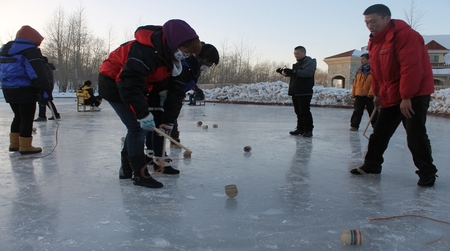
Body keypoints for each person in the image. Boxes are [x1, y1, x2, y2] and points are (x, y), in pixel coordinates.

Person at [98, 19, 202, 188]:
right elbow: (128, 82)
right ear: (175, 43)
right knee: (137, 127)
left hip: (135, 86)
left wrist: (167, 120)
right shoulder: (146, 51)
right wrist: (143, 113)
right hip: (113, 82)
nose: (186, 56)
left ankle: (126, 169)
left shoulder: (171, 59)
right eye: (185, 51)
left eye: (189, 54)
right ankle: (139, 174)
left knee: (136, 127)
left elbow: (174, 93)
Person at [350, 4, 438, 187]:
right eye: (366, 22)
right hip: (392, 92)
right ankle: (372, 165)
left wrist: (407, 97)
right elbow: (377, 71)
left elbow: (411, 69)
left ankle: (427, 172)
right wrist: (377, 93)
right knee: (379, 133)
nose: (369, 25)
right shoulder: (374, 41)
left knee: (415, 134)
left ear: (387, 18)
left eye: (373, 21)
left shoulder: (406, 36)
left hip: (414, 93)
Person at [145, 43, 219, 171]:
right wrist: (169, 120)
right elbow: (176, 94)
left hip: (162, 97)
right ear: (201, 58)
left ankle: (152, 155)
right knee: (160, 126)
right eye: (207, 64)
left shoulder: (191, 66)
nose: (206, 68)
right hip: (159, 97)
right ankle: (159, 158)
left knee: (157, 126)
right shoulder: (186, 67)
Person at [0, 25, 53, 154]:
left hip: (8, 89)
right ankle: (25, 145)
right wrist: (45, 92)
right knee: (27, 117)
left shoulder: (4, 50)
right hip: (25, 89)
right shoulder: (30, 51)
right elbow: (37, 73)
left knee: (17, 115)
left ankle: (14, 144)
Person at [276, 46, 317, 137]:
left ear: (304, 53)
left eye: (298, 53)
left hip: (304, 91)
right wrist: (284, 72)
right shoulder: (298, 64)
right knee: (298, 111)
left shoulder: (310, 62)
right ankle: (300, 128)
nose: (296, 55)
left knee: (304, 111)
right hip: (296, 90)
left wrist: (293, 72)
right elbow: (296, 75)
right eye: (295, 54)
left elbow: (307, 73)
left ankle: (308, 130)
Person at [349, 53, 378, 131]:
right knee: (357, 111)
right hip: (359, 94)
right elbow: (355, 83)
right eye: (361, 59)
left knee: (372, 111)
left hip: (369, 95)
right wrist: (354, 93)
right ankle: (354, 125)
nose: (361, 61)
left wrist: (371, 93)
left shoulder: (373, 70)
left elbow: (375, 83)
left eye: (363, 59)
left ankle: (376, 126)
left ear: (369, 59)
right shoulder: (359, 71)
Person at [34, 56, 61, 121]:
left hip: (44, 85)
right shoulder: (48, 66)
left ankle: (42, 116)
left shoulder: (43, 67)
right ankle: (55, 114)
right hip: (48, 85)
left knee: (42, 100)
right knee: (47, 100)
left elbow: (40, 76)